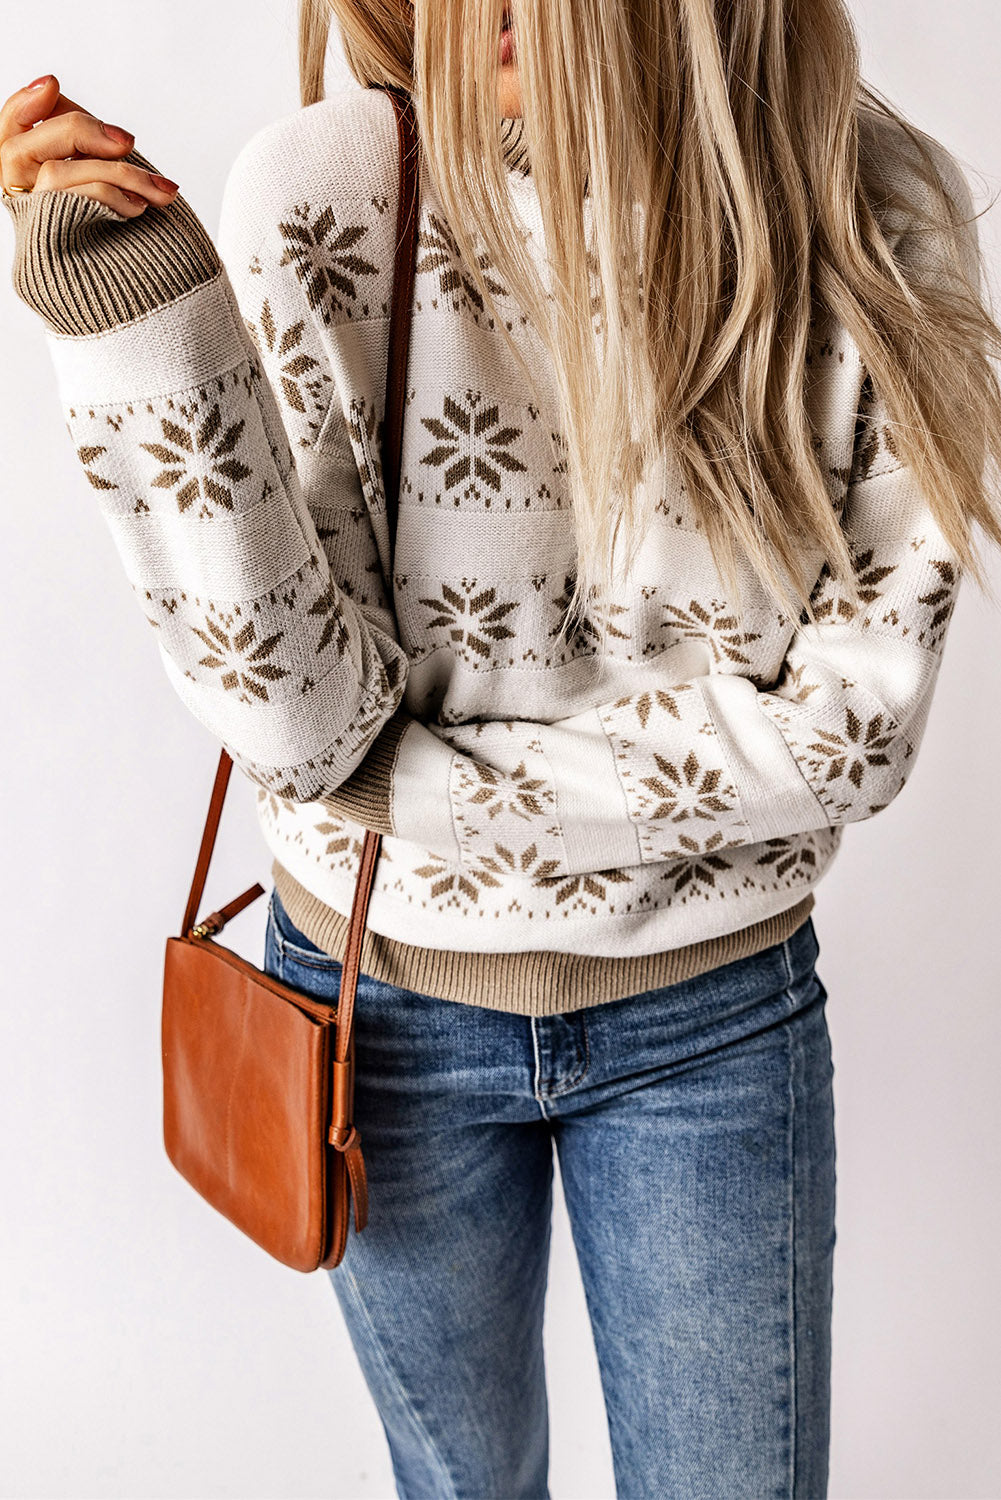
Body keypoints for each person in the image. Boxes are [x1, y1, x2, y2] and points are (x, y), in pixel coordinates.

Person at [3, 1, 999, 1495]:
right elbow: (299, 723)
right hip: (377, 1006)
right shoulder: (327, 191)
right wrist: (141, 318)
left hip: (711, 1013)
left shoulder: (866, 211)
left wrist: (405, 781)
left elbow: (846, 741)